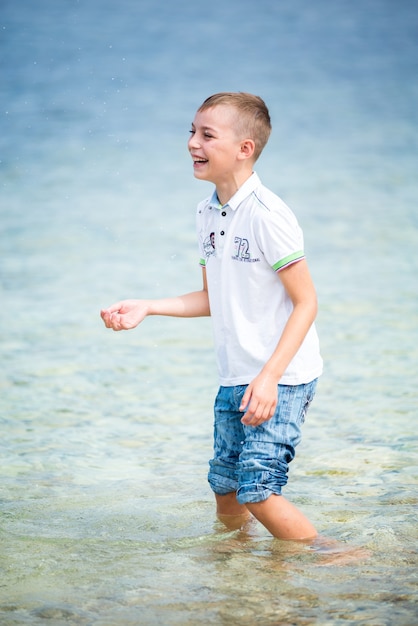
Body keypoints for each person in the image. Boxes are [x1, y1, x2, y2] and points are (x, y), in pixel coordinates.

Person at [101, 92, 323, 541]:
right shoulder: (206, 213)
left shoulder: (268, 215)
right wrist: (148, 306)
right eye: (191, 131)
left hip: (281, 377)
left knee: (257, 490)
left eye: (207, 135)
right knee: (224, 487)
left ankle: (331, 555)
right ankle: (233, 565)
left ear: (245, 148)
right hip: (235, 375)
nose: (191, 143)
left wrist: (269, 378)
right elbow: (212, 297)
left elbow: (307, 303)